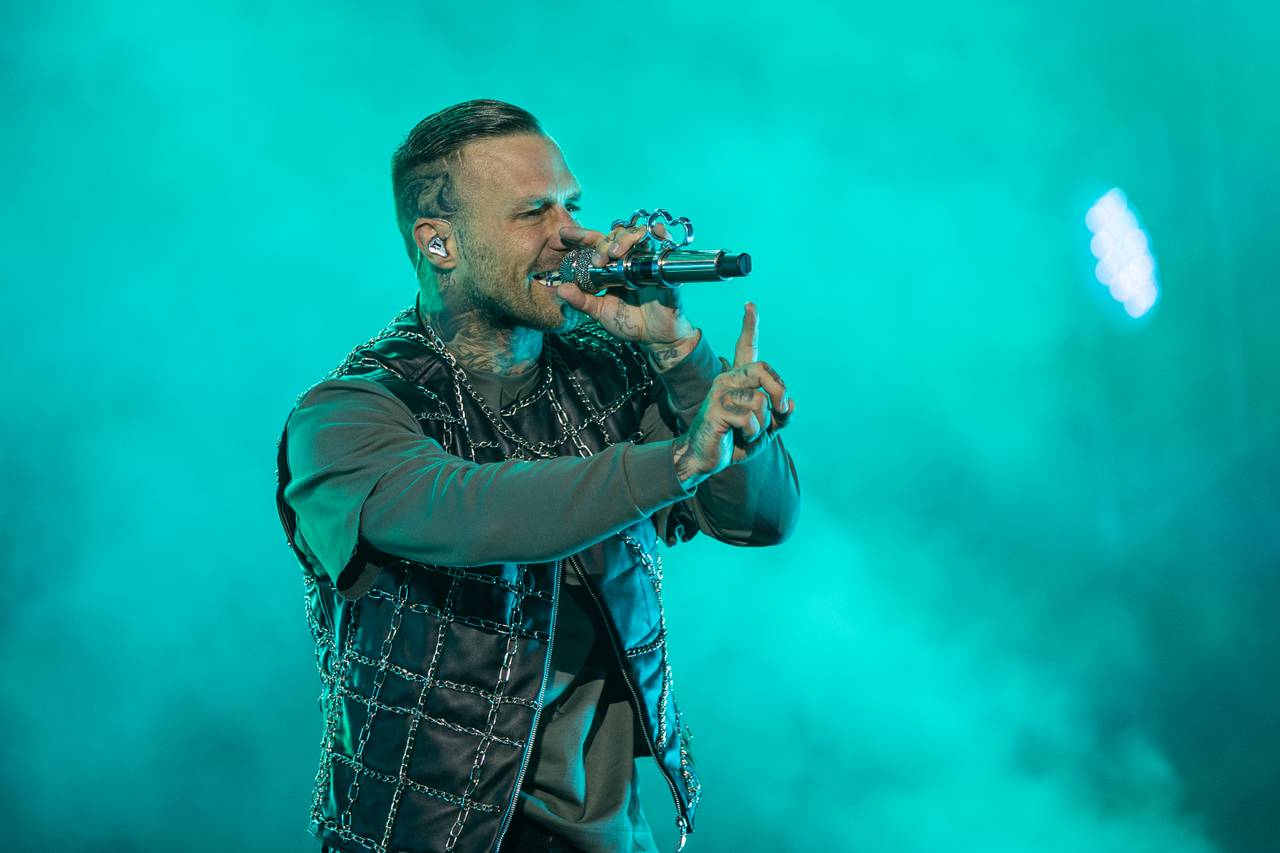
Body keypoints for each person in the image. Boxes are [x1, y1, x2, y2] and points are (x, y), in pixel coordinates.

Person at [273, 99, 800, 853]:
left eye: (570, 205)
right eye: (532, 213)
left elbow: (762, 519)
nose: (570, 233)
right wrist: (680, 459)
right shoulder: (347, 416)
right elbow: (474, 514)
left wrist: (680, 354)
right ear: (439, 242)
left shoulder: (610, 372)